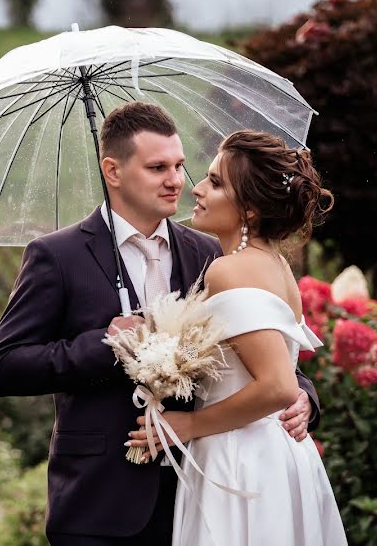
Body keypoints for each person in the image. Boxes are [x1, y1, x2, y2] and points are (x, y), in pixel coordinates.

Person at [0, 103, 320, 545]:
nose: (177, 180)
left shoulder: (211, 252)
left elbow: (264, 356)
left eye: (180, 165)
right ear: (113, 171)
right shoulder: (57, 256)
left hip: (203, 492)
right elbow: (2, 369)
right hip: (101, 502)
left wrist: (305, 397)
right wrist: (107, 345)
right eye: (158, 167)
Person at [127, 130, 346, 545]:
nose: (197, 188)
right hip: (274, 453)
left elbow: (278, 386)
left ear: (248, 210)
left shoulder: (230, 270)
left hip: (240, 460)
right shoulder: (276, 266)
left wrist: (188, 424)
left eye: (215, 181)